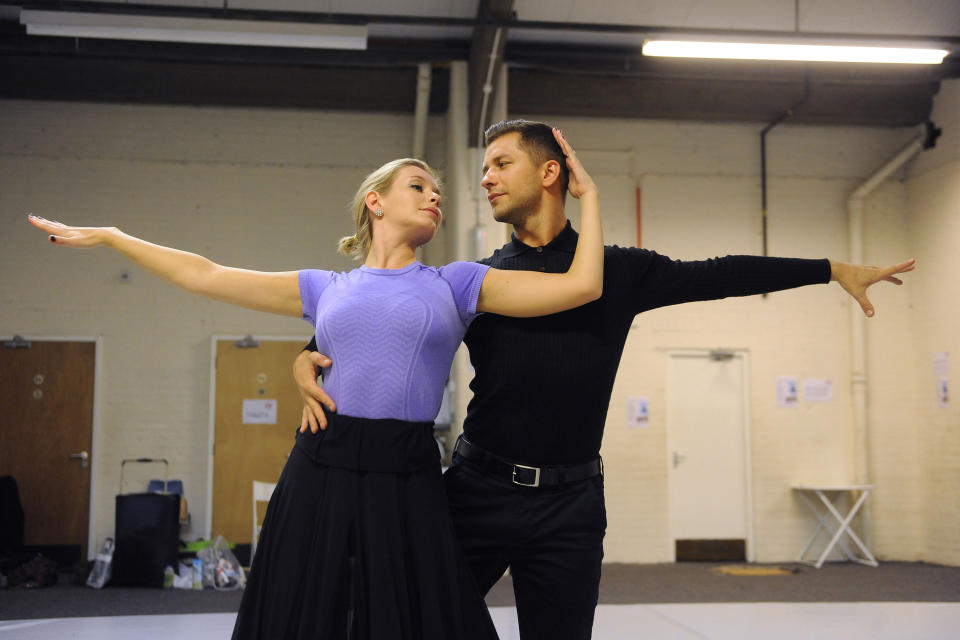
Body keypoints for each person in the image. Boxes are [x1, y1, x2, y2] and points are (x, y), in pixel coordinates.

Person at [294, 120, 916, 640]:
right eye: (485, 167)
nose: (484, 178)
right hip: (475, 492)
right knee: (418, 626)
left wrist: (831, 268)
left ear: (550, 173)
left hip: (570, 505)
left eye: (501, 163)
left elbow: (719, 273)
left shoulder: (619, 272)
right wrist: (306, 354)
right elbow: (377, 319)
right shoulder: (476, 280)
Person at [25, 128, 605, 640]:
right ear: (375, 202)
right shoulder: (325, 287)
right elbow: (205, 275)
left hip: (403, 472)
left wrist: (590, 197)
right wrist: (112, 236)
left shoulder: (457, 283)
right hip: (319, 464)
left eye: (438, 193)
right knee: (306, 610)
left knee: (412, 614)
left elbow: (581, 286)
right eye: (418, 185)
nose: (435, 197)